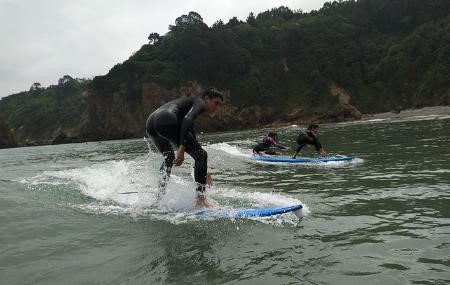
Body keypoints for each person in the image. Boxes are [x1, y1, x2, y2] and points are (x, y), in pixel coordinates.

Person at [145, 87, 224, 208]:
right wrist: (181, 148)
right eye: (216, 103)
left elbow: (190, 134)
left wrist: (204, 170)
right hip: (166, 118)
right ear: (206, 98)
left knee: (169, 157)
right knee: (202, 155)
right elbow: (187, 120)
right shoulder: (200, 102)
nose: (217, 108)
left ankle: (159, 196)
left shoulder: (187, 106)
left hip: (151, 122)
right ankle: (201, 201)